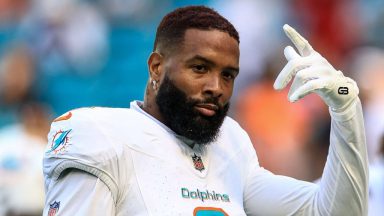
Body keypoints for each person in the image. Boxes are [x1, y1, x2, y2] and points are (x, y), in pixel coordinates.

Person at [42, 6, 368, 215]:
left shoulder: (231, 144)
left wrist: (346, 111)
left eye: (228, 74)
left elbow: (336, 213)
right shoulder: (102, 135)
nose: (216, 86)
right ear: (156, 67)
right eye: (200, 68)